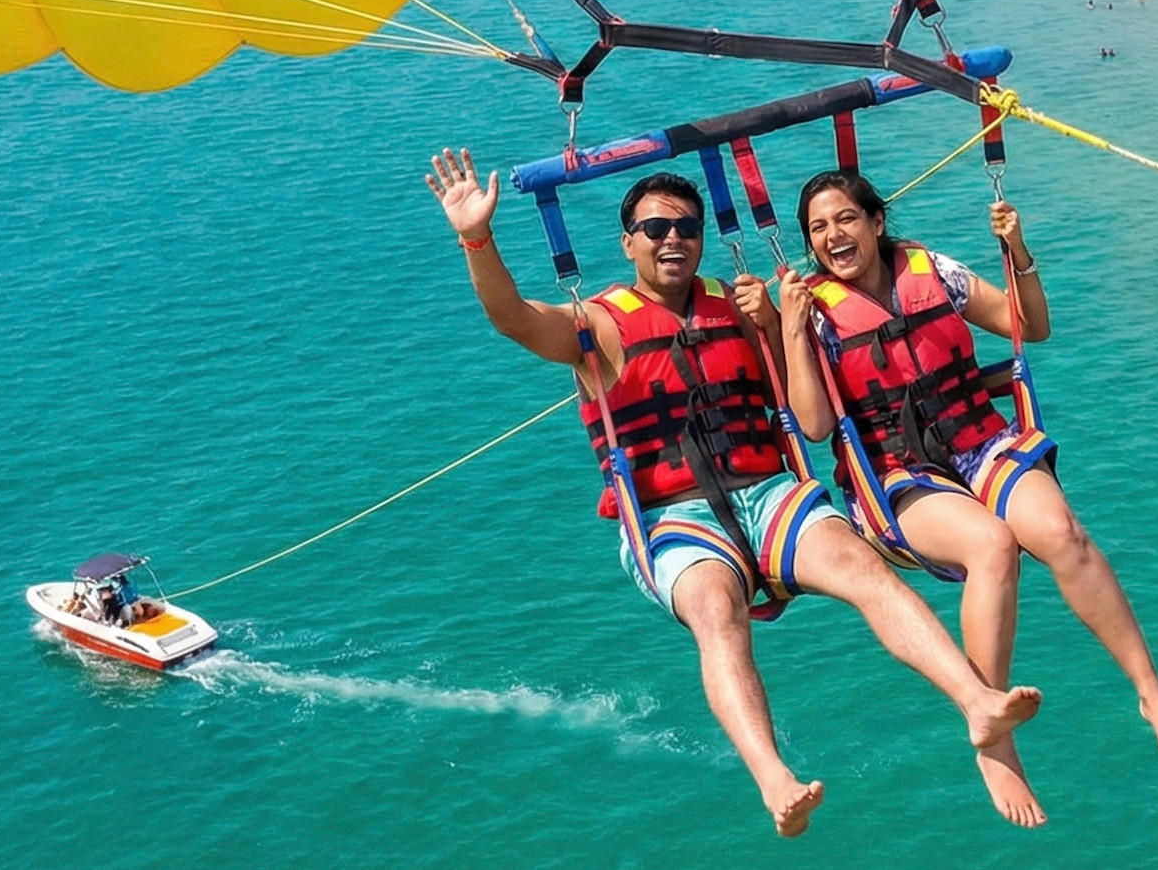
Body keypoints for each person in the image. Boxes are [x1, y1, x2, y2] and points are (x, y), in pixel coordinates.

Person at [426, 152, 1043, 834]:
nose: (673, 240)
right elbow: (512, 317)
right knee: (717, 611)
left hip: (770, 492)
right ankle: (774, 778)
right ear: (627, 240)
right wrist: (476, 239)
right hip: (671, 516)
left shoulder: (740, 304)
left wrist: (777, 326)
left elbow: (804, 394)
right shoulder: (596, 325)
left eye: (687, 227)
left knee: (861, 567)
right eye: (655, 228)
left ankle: (976, 704)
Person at [775, 173, 1158, 790]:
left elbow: (1030, 324)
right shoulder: (810, 311)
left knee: (1063, 535)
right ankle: (992, 733)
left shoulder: (931, 270)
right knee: (993, 546)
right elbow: (814, 427)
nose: (832, 236)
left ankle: (1151, 693)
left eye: (845, 219)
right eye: (818, 228)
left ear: (875, 222)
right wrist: (789, 329)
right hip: (898, 477)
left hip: (980, 443)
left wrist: (1019, 249)